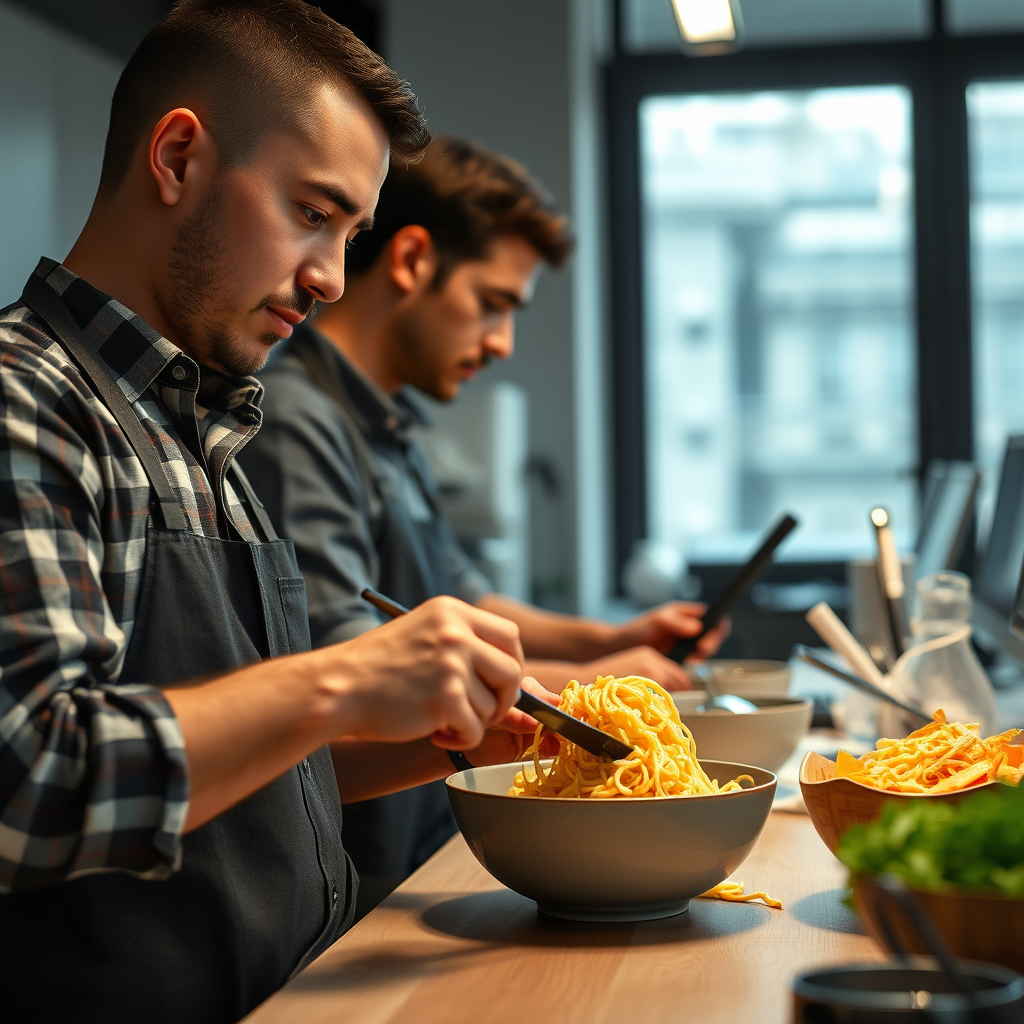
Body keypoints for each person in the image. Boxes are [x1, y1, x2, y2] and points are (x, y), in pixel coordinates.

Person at [0, 5, 559, 1023]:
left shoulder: (203, 434)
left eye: (349, 234)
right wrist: (343, 679)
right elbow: (35, 779)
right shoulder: (24, 400)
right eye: (312, 211)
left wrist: (454, 745)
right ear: (178, 157)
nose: (330, 277)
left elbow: (258, 777)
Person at [239, 138, 728, 908]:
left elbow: (467, 603)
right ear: (411, 261)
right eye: (492, 303)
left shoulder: (389, 425)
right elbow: (351, 659)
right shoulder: (301, 423)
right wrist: (603, 687)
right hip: (365, 877)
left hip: (422, 844)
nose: (500, 343)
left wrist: (610, 640)